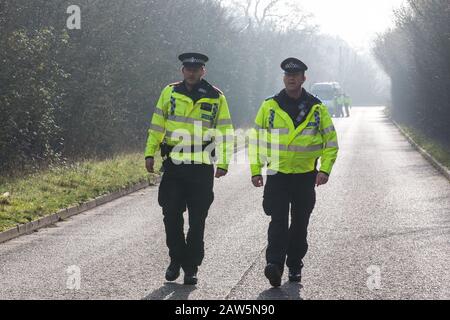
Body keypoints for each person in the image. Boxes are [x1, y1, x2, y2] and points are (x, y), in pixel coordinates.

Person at [145, 53, 234, 285]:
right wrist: (149, 152)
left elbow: (225, 132)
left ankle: (191, 267)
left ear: (203, 71)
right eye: (187, 68)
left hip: (201, 167)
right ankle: (176, 259)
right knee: (171, 214)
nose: (191, 72)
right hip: (174, 164)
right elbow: (156, 125)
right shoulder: (170, 92)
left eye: (196, 69)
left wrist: (223, 162)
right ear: (182, 71)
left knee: (197, 219)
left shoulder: (216, 97)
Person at [249, 57, 339, 287]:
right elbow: (256, 141)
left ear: (303, 78)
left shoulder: (316, 108)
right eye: (288, 75)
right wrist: (255, 170)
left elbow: (331, 142)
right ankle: (275, 265)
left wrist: (325, 170)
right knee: (278, 221)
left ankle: (295, 265)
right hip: (277, 174)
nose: (291, 78)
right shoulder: (269, 106)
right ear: (284, 78)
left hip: (305, 176)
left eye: (296, 74)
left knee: (300, 223)